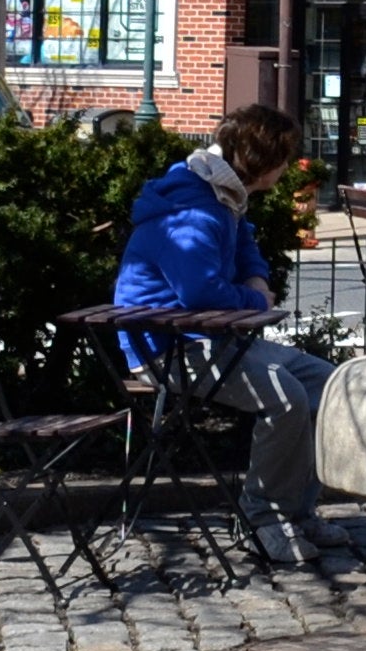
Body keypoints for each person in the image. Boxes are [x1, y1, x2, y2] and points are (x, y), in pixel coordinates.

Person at [112, 100, 333, 545]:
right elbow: (199, 291)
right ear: (261, 159)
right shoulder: (193, 210)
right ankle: (264, 521)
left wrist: (255, 282)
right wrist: (255, 297)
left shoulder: (223, 195)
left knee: (328, 386)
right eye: (283, 157)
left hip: (211, 339)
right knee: (286, 397)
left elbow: (246, 248)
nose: (287, 167)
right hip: (168, 346)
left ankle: (297, 511)